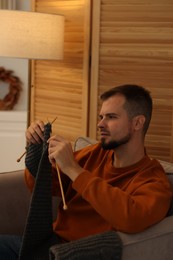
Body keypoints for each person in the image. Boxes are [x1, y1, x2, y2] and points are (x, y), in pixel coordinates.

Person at [0, 84, 172, 259]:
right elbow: (43, 186)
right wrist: (35, 153)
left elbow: (131, 219)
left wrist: (73, 169)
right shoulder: (94, 153)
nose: (100, 124)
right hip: (48, 246)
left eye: (111, 117)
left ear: (137, 123)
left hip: (75, 254)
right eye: (101, 117)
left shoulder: (153, 180)